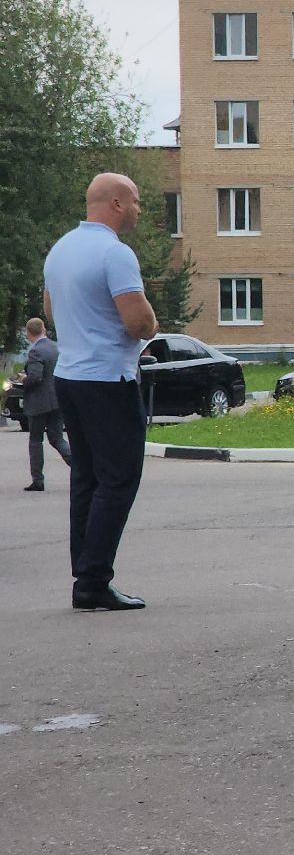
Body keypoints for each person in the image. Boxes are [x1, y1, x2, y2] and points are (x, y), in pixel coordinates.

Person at [43, 173, 158, 611]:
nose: (139, 210)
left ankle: (85, 575)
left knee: (86, 477)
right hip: (109, 379)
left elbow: (51, 311)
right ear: (115, 204)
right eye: (136, 201)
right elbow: (138, 323)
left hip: (70, 376)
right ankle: (94, 580)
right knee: (119, 477)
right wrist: (151, 323)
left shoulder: (60, 249)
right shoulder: (115, 253)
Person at [19, 318, 72, 492]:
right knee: (57, 438)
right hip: (57, 400)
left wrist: (22, 379)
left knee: (35, 440)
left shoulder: (36, 352)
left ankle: (38, 480)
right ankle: (80, 467)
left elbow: (35, 377)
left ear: (28, 333)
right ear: (44, 329)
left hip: (39, 403)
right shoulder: (56, 348)